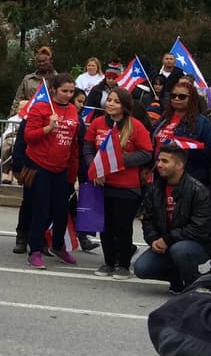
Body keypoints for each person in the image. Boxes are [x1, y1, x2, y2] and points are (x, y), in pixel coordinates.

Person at [83, 87, 152, 278]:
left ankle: (123, 264)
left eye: (115, 101)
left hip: (126, 186)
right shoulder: (97, 123)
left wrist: (119, 161)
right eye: (109, 100)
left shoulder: (136, 126)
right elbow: (88, 148)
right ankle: (108, 262)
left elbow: (146, 152)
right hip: (102, 183)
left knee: (122, 226)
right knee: (105, 226)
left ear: (124, 106)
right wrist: (95, 169)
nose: (110, 104)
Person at [134, 142, 211, 292]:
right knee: (141, 268)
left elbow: (199, 226)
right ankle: (176, 279)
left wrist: (167, 239)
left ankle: (192, 285)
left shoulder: (198, 190)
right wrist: (153, 240)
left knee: (180, 250)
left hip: (198, 244)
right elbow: (148, 219)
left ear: (179, 165)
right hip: (167, 242)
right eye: (158, 160)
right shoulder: (155, 188)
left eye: (165, 161)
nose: (159, 164)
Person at [22, 73, 81, 268]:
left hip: (61, 168)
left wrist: (72, 173)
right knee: (41, 209)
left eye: (71, 91)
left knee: (61, 211)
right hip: (40, 166)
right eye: (64, 91)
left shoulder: (73, 110)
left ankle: (57, 245)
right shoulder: (41, 107)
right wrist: (48, 128)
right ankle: (35, 250)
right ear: (54, 90)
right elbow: (28, 136)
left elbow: (73, 144)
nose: (68, 95)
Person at [153, 77, 211, 187]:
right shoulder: (164, 120)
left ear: (191, 99)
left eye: (182, 96)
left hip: (189, 180)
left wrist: (182, 151)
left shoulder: (201, 123)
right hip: (161, 179)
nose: (176, 99)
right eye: (173, 96)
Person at [12, 46, 56, 115]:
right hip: (29, 115)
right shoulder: (27, 79)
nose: (41, 63)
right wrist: (12, 119)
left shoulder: (58, 79)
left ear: (51, 61)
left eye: (44, 61)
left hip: (50, 116)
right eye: (39, 62)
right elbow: (17, 101)